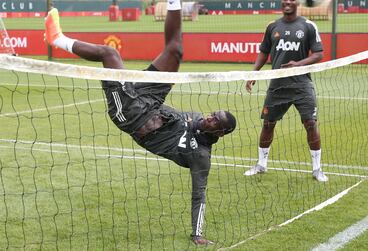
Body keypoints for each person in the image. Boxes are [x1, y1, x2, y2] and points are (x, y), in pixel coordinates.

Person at [45, 2, 236, 245]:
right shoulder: (197, 117)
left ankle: (57, 38)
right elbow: (173, 114)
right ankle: (174, 2)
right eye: (213, 113)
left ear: (220, 132)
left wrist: (197, 234)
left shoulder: (201, 156)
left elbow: (199, 195)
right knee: (176, 51)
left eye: (214, 120)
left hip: (131, 116)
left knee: (109, 54)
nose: (209, 117)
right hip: (150, 100)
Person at [243, 0, 328, 182]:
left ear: (297, 2)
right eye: (284, 0)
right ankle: (261, 164)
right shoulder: (272, 26)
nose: (287, 2)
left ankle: (317, 169)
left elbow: (318, 53)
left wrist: (297, 65)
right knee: (268, 124)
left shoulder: (308, 26)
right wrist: (253, 73)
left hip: (301, 85)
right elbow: (264, 52)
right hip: (277, 86)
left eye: (291, 0)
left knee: (311, 124)